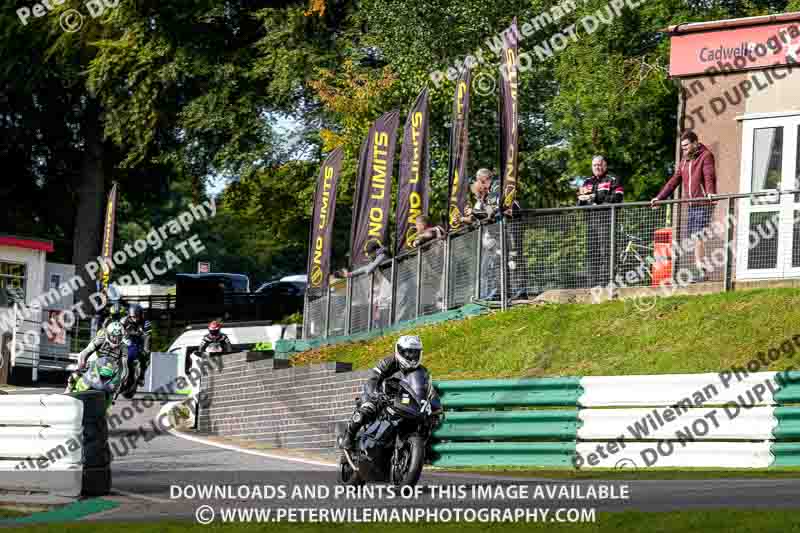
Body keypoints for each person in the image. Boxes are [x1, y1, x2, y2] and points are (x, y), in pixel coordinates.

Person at [340, 335, 440, 451]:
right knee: (367, 409)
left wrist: (435, 405)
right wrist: (375, 394)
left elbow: (428, 390)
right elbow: (373, 379)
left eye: (415, 353)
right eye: (408, 353)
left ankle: (419, 451)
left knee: (427, 421)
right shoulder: (388, 363)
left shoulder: (422, 371)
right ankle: (349, 437)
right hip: (381, 395)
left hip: (404, 403)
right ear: (400, 351)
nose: (412, 357)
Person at [651, 130, 717, 282]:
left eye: (686, 146)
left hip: (703, 202)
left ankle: (701, 271)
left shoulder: (705, 156)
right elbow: (674, 181)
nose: (684, 149)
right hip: (692, 204)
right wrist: (659, 198)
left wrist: (710, 193)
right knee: (695, 238)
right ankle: (702, 270)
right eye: (682, 147)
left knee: (699, 236)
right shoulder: (684, 160)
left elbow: (709, 175)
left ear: (695, 143)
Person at [579, 155, 624, 287]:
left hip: (607, 221)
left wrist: (597, 198)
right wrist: (588, 201)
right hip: (591, 222)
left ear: (605, 165)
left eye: (599, 164)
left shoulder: (613, 179)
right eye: (594, 165)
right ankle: (592, 285)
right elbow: (581, 201)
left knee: (606, 252)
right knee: (592, 253)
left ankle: (606, 284)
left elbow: (617, 199)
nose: (597, 167)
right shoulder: (587, 181)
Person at [66, 321, 128, 394]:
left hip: (110, 370)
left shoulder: (123, 348)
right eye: (113, 337)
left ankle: (108, 399)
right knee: (74, 375)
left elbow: (124, 367)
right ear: (108, 334)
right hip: (94, 363)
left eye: (119, 338)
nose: (116, 340)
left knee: (117, 387)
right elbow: (84, 353)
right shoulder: (100, 340)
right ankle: (68, 390)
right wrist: (81, 366)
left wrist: (120, 380)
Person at [120, 304, 152, 386]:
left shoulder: (146, 323)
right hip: (126, 341)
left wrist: (146, 349)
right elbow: (117, 331)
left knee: (146, 358)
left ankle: (141, 377)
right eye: (133, 317)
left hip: (139, 342)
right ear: (129, 316)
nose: (135, 319)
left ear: (141, 315)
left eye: (137, 317)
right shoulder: (123, 321)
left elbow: (147, 337)